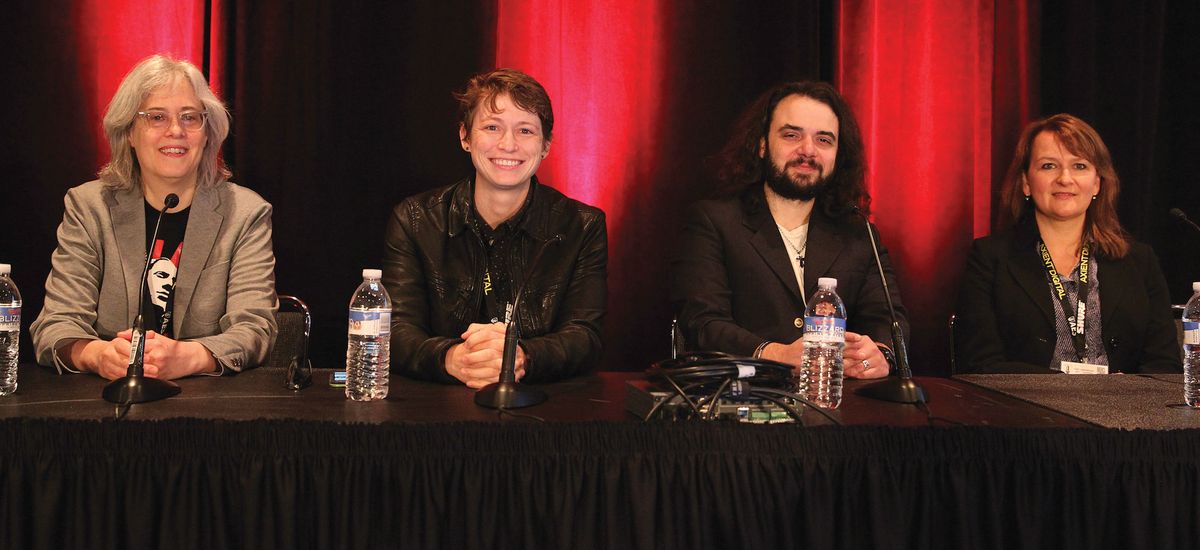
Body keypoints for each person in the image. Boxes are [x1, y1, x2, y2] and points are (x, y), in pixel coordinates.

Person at [30, 54, 278, 379]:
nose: (176, 130)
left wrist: (191, 357)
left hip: (205, 406)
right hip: (106, 403)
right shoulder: (89, 206)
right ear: (129, 134)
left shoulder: (245, 213)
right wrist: (98, 355)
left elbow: (255, 328)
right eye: (157, 117)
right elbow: (55, 325)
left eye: (190, 118)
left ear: (207, 135)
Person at [382, 68, 607, 388]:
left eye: (526, 131)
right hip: (435, 408)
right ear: (465, 137)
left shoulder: (582, 226)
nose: (508, 144)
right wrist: (451, 358)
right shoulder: (415, 219)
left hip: (541, 409)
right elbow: (395, 329)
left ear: (546, 145)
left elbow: (585, 336)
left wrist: (522, 356)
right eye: (492, 127)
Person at [670, 81, 906, 379]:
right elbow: (702, 322)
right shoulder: (714, 221)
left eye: (824, 140)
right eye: (792, 135)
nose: (807, 151)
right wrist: (775, 354)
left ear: (838, 155)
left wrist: (880, 354)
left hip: (838, 406)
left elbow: (888, 319)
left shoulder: (859, 235)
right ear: (761, 144)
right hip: (745, 401)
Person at [954, 114, 1180, 374]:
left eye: (1079, 166)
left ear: (1097, 183)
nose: (1065, 178)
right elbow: (980, 363)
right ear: (1027, 183)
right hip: (1028, 411)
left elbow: (1164, 365)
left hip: (1124, 412)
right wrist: (1067, 388)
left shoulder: (1140, 261)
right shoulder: (990, 258)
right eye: (1049, 166)